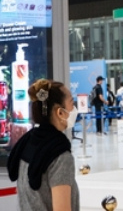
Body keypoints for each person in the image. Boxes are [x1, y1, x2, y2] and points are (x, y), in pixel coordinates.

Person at [7, 79, 79, 211]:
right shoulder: (60, 155)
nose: (74, 109)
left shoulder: (27, 142)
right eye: (71, 103)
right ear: (60, 112)